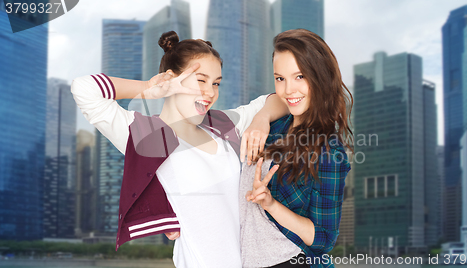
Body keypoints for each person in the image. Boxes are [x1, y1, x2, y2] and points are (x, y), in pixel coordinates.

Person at [71, 31, 288, 268]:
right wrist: (149, 88)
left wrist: (262, 118)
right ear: (171, 79)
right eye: (201, 80)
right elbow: (83, 88)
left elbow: (281, 99)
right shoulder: (149, 135)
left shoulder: (222, 125)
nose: (210, 92)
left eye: (216, 83)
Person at [240, 29, 353, 268]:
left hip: (292, 261)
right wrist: (261, 117)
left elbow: (324, 239)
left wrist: (271, 204)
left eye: (299, 76)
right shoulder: (274, 125)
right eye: (280, 78)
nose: (288, 89)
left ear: (320, 77)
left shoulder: (330, 152)